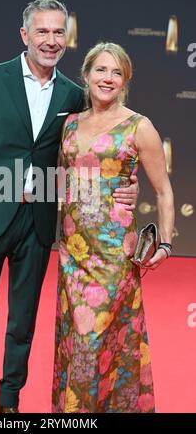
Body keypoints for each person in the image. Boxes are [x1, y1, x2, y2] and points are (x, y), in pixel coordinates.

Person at [0, 0, 138, 413]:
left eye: (58, 32)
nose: (51, 40)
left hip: (37, 221)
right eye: (41, 31)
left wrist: (128, 185)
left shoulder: (74, 95)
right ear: (24, 35)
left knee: (22, 321)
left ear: (67, 38)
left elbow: (100, 149)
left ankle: (9, 401)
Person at [52, 42, 175, 413]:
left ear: (126, 81)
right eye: (100, 71)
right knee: (75, 341)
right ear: (86, 76)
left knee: (97, 339)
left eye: (116, 72)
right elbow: (62, 180)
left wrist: (165, 244)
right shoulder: (70, 123)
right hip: (72, 251)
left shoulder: (140, 127)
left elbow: (165, 192)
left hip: (113, 255)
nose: (107, 79)